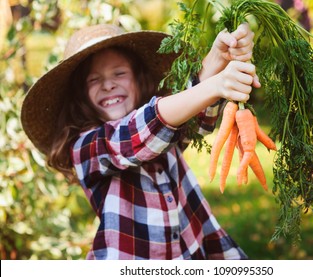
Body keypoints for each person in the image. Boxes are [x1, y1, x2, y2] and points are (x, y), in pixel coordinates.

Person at [21, 23, 260, 260]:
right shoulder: (86, 147)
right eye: (94, 80)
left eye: (119, 73)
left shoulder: (164, 131)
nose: (108, 84)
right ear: (81, 96)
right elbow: (135, 134)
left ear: (139, 80)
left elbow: (195, 116)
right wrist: (215, 85)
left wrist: (218, 56)